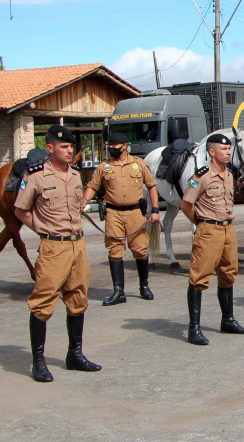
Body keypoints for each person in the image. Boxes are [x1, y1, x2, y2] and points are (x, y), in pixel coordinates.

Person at [14, 124, 101, 382]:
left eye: (71, 146)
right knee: (43, 303)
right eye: (64, 146)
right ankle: (38, 361)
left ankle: (75, 354)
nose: (69, 150)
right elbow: (20, 210)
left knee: (78, 299)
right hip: (53, 247)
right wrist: (41, 229)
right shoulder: (35, 176)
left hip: (78, 245)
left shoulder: (75, 174)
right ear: (50, 148)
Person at [180, 134, 244, 345]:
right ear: (212, 152)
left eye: (229, 149)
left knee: (228, 274)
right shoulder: (201, 176)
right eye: (223, 149)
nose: (228, 152)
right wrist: (202, 224)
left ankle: (227, 320)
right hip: (209, 230)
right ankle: (194, 328)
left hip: (228, 231)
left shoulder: (229, 174)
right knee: (199, 278)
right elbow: (186, 205)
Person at [81, 132, 159, 306]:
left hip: (134, 213)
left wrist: (155, 210)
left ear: (124, 146)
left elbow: (152, 186)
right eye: (109, 145)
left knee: (140, 250)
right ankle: (118, 291)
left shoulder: (139, 164)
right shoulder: (104, 166)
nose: (111, 149)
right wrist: (83, 203)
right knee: (115, 251)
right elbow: (92, 187)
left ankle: (144, 286)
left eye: (114, 146)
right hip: (113, 213)